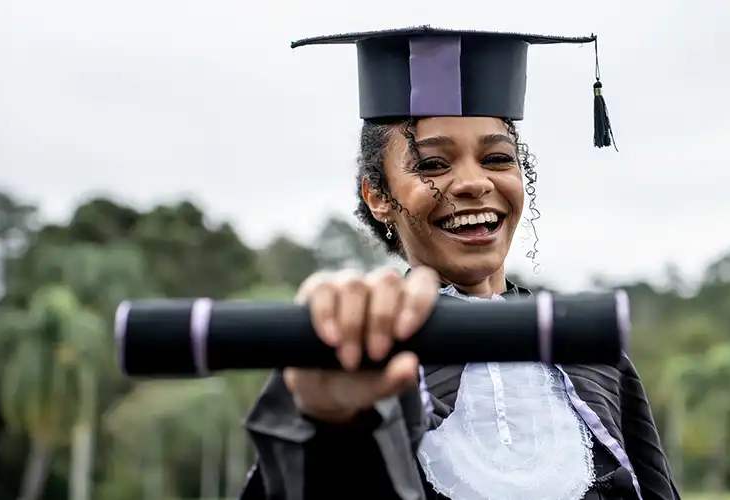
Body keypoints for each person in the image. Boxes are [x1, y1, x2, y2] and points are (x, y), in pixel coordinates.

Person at [239, 26, 679, 500]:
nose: (473, 183)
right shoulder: (351, 356)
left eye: (497, 157)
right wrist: (332, 420)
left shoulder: (586, 353)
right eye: (431, 164)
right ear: (378, 196)